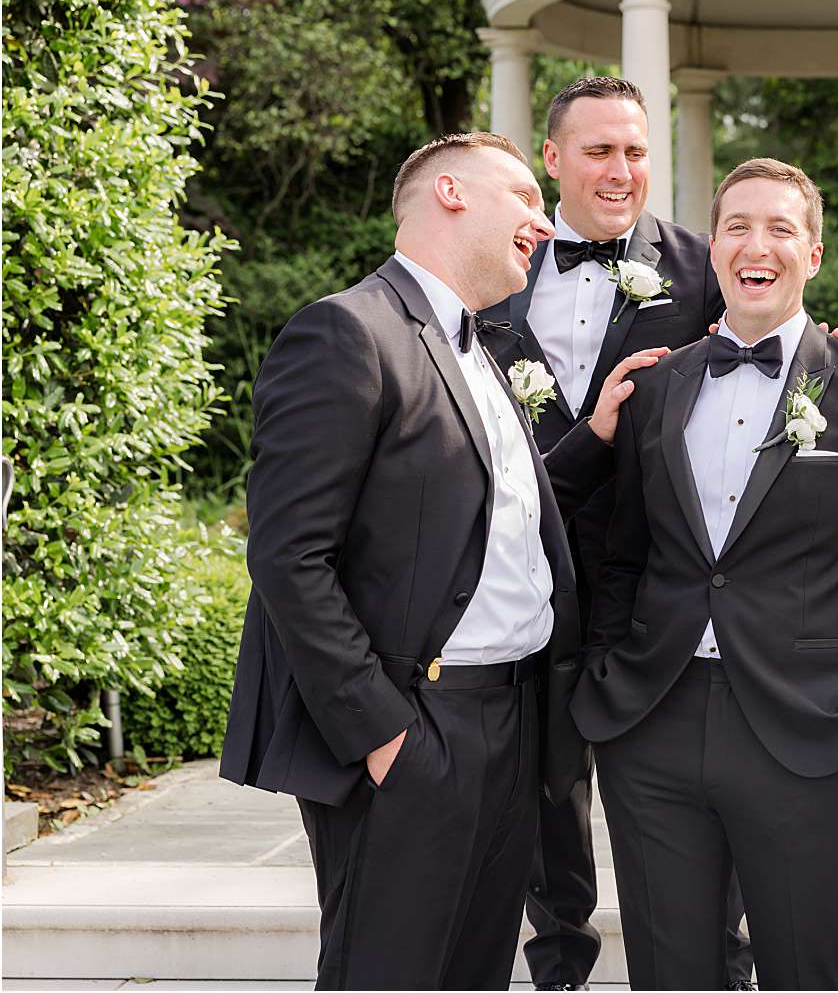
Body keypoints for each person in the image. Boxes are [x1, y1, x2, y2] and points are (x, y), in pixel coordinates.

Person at [219, 132, 659, 990]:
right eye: (525, 198)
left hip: (515, 720)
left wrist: (597, 437)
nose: (541, 221)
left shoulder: (484, 348)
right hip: (416, 724)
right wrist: (383, 734)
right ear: (450, 193)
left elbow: (495, 513)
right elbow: (287, 556)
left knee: (474, 974)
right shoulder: (348, 331)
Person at [573, 158, 838, 990]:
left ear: (813, 254)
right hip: (652, 720)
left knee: (804, 969)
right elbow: (625, 552)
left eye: (782, 227)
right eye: (738, 226)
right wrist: (610, 683)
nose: (758, 243)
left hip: (806, 732)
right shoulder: (658, 385)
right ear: (713, 252)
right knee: (671, 973)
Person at [475, 76, 751, 992]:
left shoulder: (707, 265)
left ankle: (723, 960)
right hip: (529, 571)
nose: (621, 169)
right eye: (598, 150)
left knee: (690, 775)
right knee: (545, 780)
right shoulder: (490, 272)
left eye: (636, 150)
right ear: (552, 159)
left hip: (665, 575)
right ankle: (560, 965)